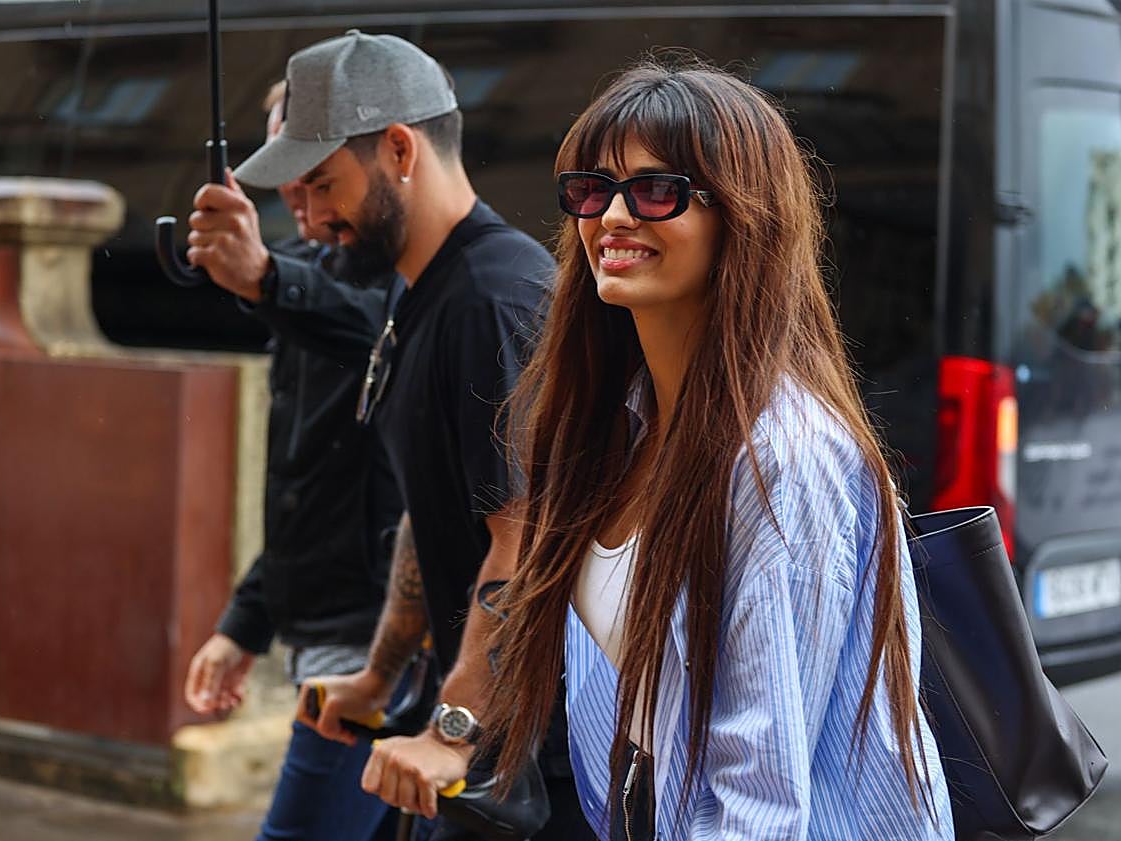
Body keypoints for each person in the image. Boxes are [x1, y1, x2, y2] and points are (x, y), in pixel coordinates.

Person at [479, 58, 957, 840]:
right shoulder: (624, 423)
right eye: (592, 189)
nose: (613, 216)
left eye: (655, 190)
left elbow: (760, 803)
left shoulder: (780, 460)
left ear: (741, 214)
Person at [233, 30, 594, 840]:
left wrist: (454, 726)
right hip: (475, 742)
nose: (312, 217)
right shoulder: (420, 290)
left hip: (532, 769)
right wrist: (377, 677)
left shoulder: (492, 300)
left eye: (324, 183)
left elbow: (526, 537)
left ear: (399, 149)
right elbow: (427, 507)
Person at [183, 81, 404, 841]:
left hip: (379, 637)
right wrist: (246, 621)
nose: (299, 207)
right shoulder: (314, 273)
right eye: (285, 184)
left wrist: (270, 280)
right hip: (327, 626)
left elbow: (385, 338)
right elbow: (308, 475)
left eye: (315, 179)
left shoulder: (428, 282)